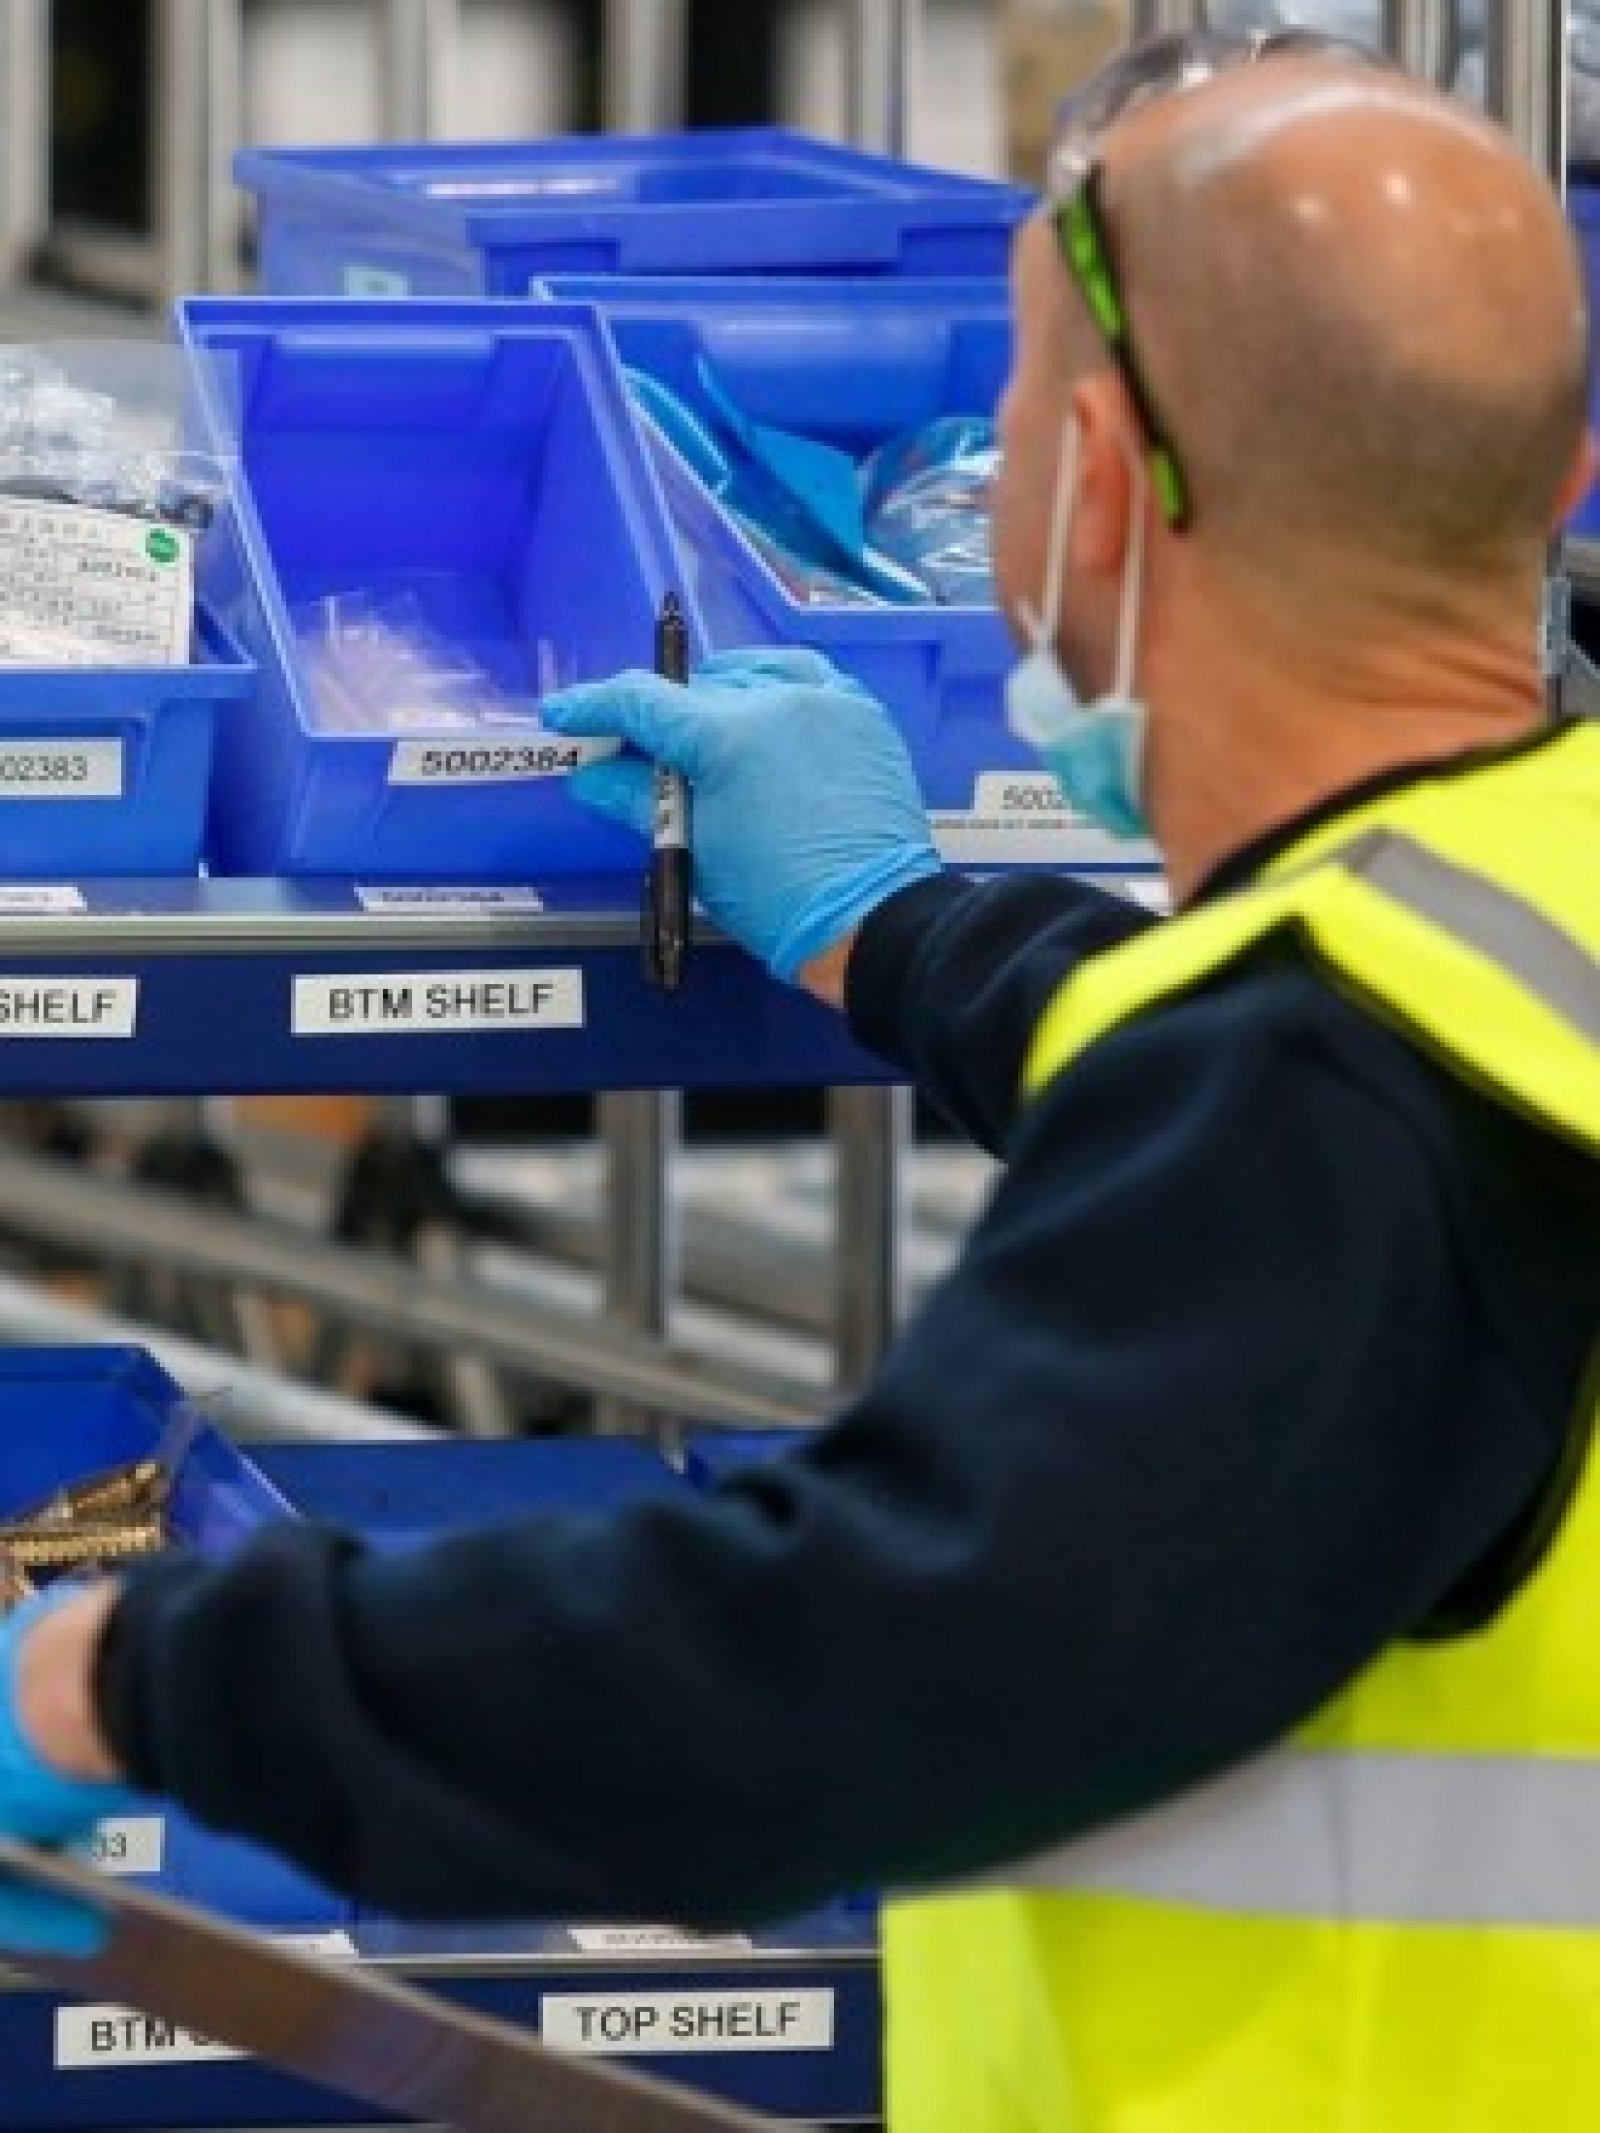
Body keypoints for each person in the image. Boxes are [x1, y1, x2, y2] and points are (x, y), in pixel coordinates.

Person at [4, 33, 1600, 2131]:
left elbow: (824, 1670)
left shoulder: (1337, 1102)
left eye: (1000, 421)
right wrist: (890, 921)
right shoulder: (1511, 928)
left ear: (1092, 478)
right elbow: (1269, 1095)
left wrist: (134, 1676)